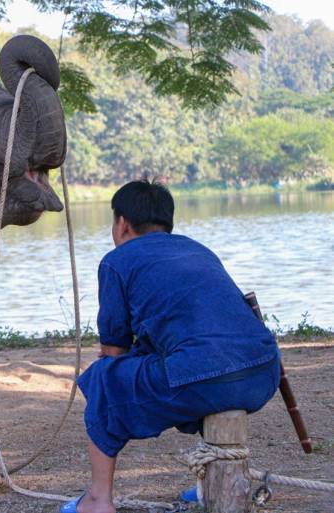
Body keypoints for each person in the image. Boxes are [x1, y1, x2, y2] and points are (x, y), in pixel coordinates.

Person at [62, 179, 280, 513]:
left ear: (121, 224)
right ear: (167, 222)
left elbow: (114, 350)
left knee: (103, 379)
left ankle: (98, 499)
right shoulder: (197, 249)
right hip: (263, 373)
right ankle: (210, 481)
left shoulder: (116, 262)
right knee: (190, 363)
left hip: (206, 378)